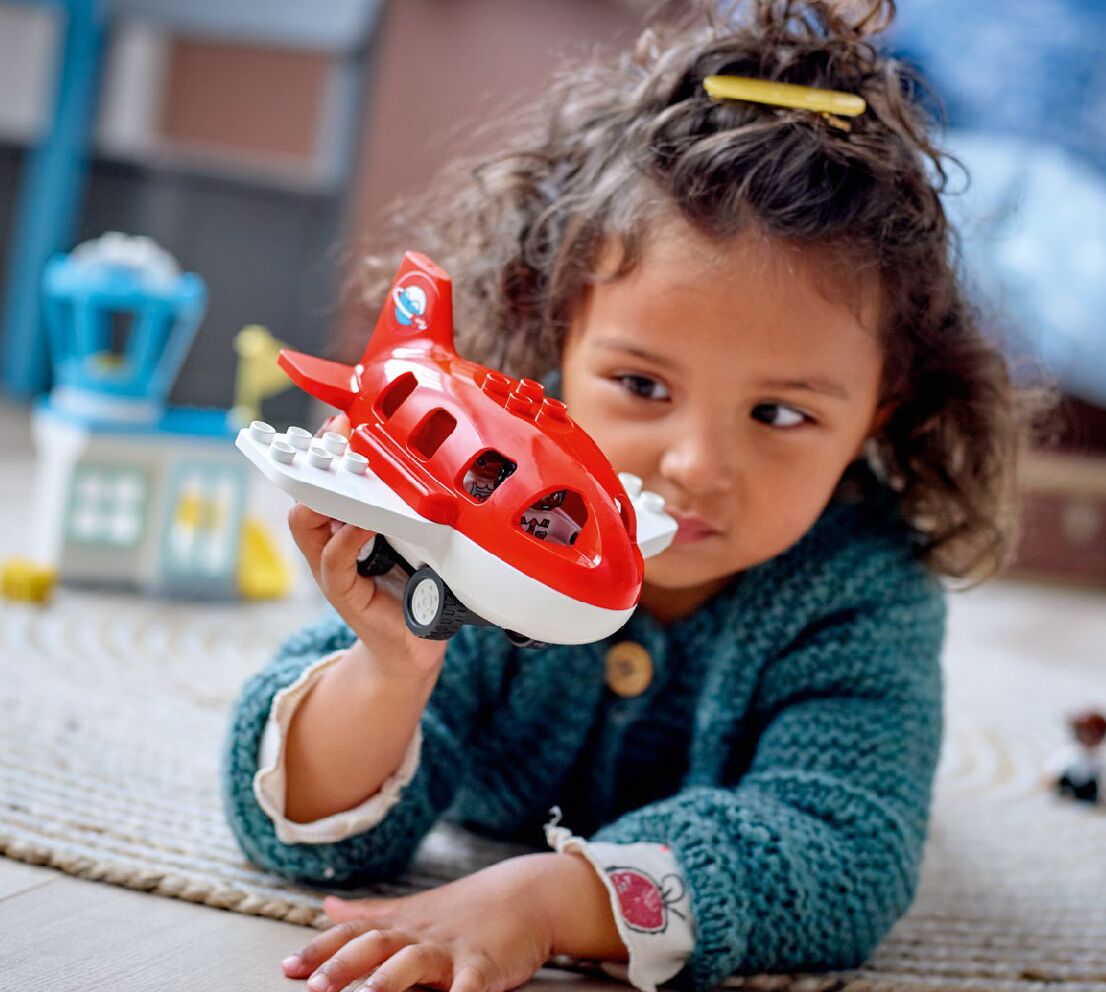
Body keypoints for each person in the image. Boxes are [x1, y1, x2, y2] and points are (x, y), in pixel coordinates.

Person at [219, 3, 1037, 991]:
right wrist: (388, 672)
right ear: (555, 331)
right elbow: (289, 828)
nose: (694, 464)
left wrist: (551, 900)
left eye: (779, 413)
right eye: (641, 386)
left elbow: (843, 851)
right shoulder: (479, 510)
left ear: (877, 412)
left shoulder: (864, 585)